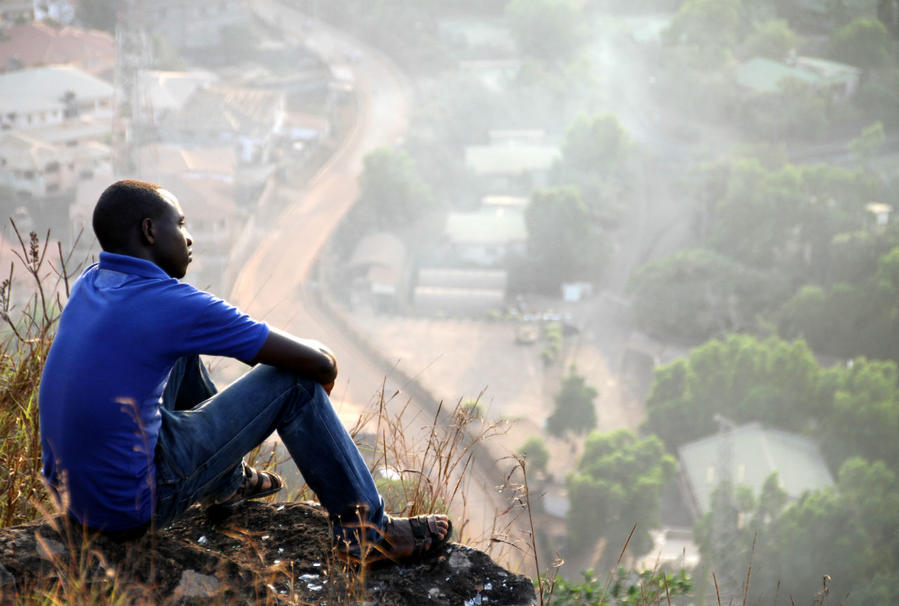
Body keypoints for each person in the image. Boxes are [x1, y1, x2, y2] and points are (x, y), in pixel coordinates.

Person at [38, 179, 450, 563]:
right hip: (134, 502)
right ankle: (366, 533)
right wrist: (319, 380)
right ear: (149, 231)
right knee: (295, 382)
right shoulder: (172, 305)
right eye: (180, 224)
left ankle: (224, 481)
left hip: (73, 498)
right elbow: (318, 362)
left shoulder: (93, 282)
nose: (189, 237)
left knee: (179, 351)